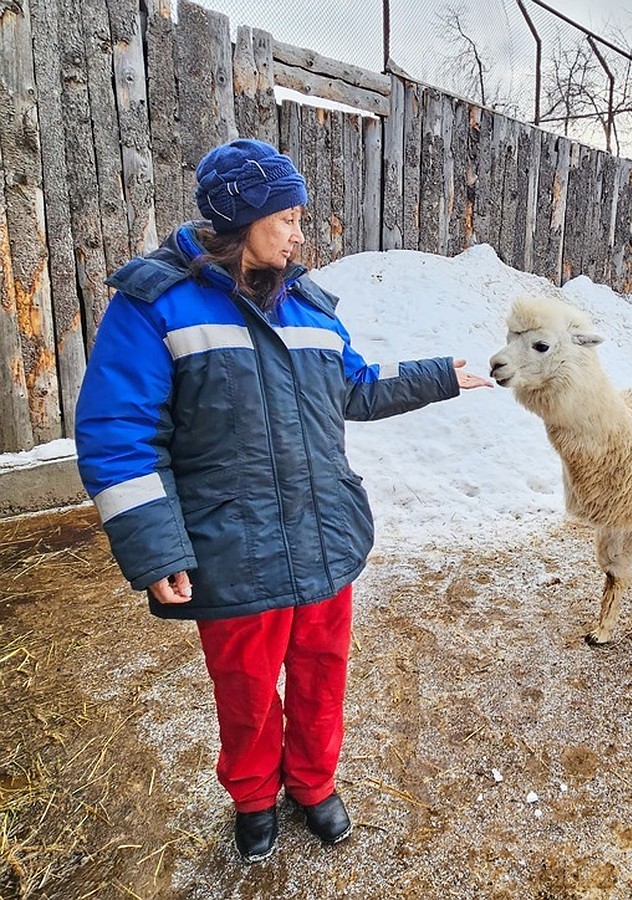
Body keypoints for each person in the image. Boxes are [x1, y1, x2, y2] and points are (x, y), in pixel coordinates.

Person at [74, 138, 492, 864]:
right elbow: (117, 433)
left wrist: (441, 376)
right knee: (243, 688)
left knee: (323, 673)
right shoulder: (156, 307)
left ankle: (313, 782)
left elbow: (355, 385)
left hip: (323, 534)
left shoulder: (308, 305)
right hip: (230, 547)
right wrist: (153, 545)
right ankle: (252, 796)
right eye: (289, 217)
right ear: (243, 218)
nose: (301, 233)